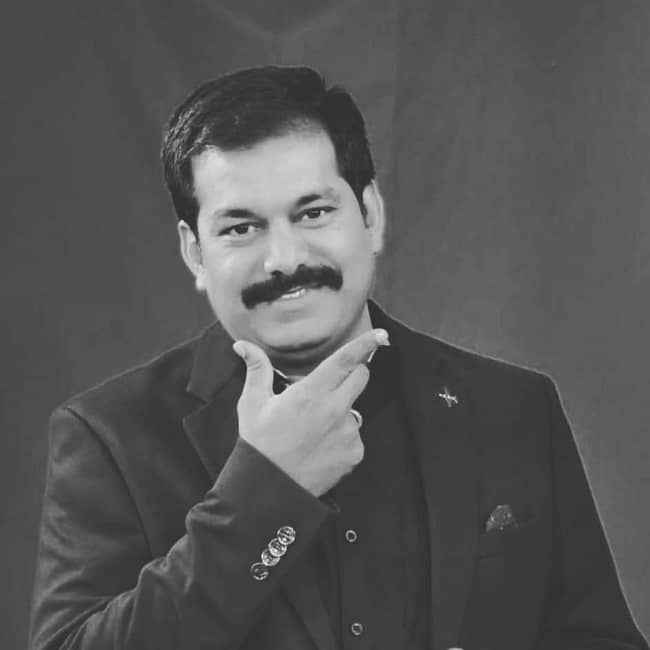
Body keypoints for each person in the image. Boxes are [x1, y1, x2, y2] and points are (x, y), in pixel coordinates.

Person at [29, 65, 647, 650]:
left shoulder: (513, 408)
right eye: (241, 228)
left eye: (314, 212)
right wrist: (263, 493)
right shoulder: (110, 436)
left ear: (370, 215)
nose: (284, 259)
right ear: (195, 252)